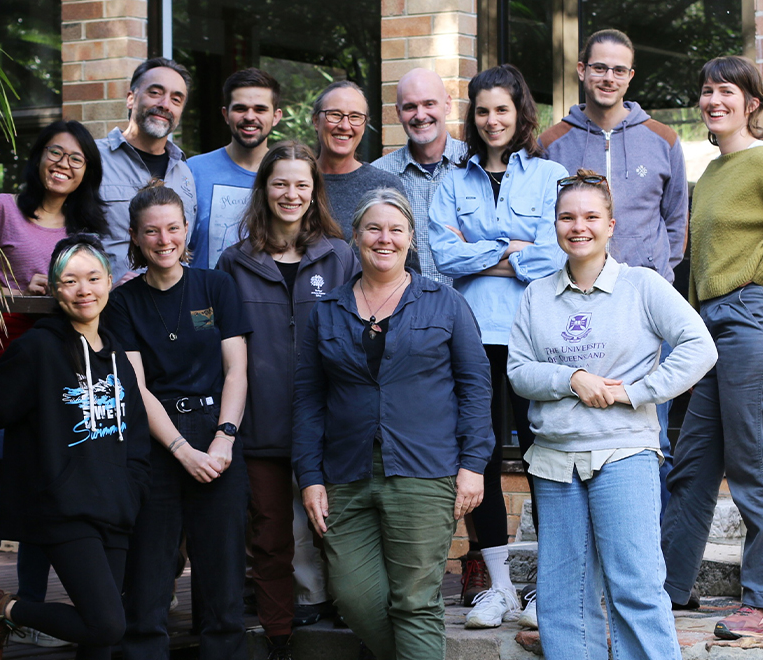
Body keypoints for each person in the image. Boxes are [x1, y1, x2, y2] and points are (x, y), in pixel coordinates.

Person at [506, 169, 716, 660]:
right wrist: (571, 377)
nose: (578, 226)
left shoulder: (642, 286)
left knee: (636, 585)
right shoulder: (537, 295)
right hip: (556, 459)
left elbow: (698, 347)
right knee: (561, 596)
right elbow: (518, 370)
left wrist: (638, 392)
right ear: (554, 225)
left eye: (591, 216)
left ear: (611, 225)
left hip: (624, 453)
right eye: (567, 217)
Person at [661, 55, 763, 639]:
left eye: (726, 91)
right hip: (710, 328)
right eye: (706, 90)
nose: (713, 100)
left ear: (751, 103)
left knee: (754, 465)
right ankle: (667, 587)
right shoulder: (711, 173)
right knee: (692, 465)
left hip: (753, 321)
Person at [292, 188, 494, 660]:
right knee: (354, 596)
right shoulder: (327, 313)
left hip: (425, 469)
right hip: (345, 472)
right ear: (356, 237)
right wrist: (310, 476)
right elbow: (307, 399)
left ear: (410, 239)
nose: (385, 238)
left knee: (415, 600)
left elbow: (475, 386)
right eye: (374, 229)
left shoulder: (444, 303)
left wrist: (474, 463)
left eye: (396, 229)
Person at [0, 119, 111, 658]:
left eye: (76, 159)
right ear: (39, 158)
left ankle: (28, 612)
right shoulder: (3, 208)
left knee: (51, 497)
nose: (64, 164)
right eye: (55, 154)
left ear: (88, 173)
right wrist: (22, 289)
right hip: (11, 368)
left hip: (70, 377)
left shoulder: (87, 232)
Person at [0, 234, 151, 660]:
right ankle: (1, 607)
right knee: (107, 624)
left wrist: (132, 488)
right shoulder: (38, 349)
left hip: (114, 506)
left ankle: (1, 608)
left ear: (109, 281)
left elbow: (136, 432)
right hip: (63, 508)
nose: (83, 289)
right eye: (70, 281)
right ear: (55, 289)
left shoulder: (117, 355)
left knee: (100, 641)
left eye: (93, 278)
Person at [428, 63, 568, 629]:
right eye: (482, 111)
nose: (491, 121)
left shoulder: (551, 175)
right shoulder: (451, 179)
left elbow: (557, 253)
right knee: (479, 460)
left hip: (534, 336)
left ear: (520, 113)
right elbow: (442, 254)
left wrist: (481, 250)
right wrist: (512, 251)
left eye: (501, 110)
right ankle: (501, 588)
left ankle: (548, 588)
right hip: (471, 337)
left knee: (545, 456)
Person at [216, 140, 360, 659]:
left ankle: (353, 615)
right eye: (280, 183)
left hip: (329, 422)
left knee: (337, 527)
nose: (290, 194)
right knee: (271, 534)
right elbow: (223, 347)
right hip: (262, 421)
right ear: (264, 189)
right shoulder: (234, 262)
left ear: (315, 191)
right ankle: (279, 636)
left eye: (302, 184)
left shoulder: (340, 256)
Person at [538, 28, 688, 518]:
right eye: (598, 67)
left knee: (650, 435)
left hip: (639, 316)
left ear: (630, 76)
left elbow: (676, 223)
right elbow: (545, 221)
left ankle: (649, 561)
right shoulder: (552, 142)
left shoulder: (662, 139)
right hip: (572, 311)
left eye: (618, 69)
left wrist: (652, 279)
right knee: (573, 429)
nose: (608, 77)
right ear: (581, 71)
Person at [104, 183, 251, 659]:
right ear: (135, 236)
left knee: (223, 575)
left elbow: (237, 370)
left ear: (187, 230)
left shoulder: (215, 286)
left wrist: (224, 439)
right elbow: (136, 387)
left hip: (217, 433)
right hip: (155, 444)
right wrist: (181, 450)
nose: (163, 239)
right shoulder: (123, 303)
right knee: (148, 578)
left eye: (172, 228)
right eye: (151, 231)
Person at [97, 57, 197, 284]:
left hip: (174, 308)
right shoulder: (92, 159)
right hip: (110, 310)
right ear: (131, 98)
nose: (165, 104)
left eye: (176, 99)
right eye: (155, 92)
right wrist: (104, 285)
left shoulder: (184, 172)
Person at [373, 68, 466, 285]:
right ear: (398, 112)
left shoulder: (475, 165)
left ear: (448, 105)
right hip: (403, 312)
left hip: (469, 308)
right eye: (410, 107)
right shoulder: (379, 175)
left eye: (429, 104)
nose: (420, 115)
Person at [311, 81, 415, 270]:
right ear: (316, 121)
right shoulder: (298, 185)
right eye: (335, 115)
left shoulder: (384, 185)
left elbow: (409, 264)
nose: (344, 125)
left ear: (364, 125)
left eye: (355, 117)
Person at [189, 68, 283, 270]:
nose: (250, 117)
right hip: (204, 299)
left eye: (260, 109)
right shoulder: (193, 171)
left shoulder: (287, 175)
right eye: (240, 108)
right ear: (226, 114)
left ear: (276, 116)